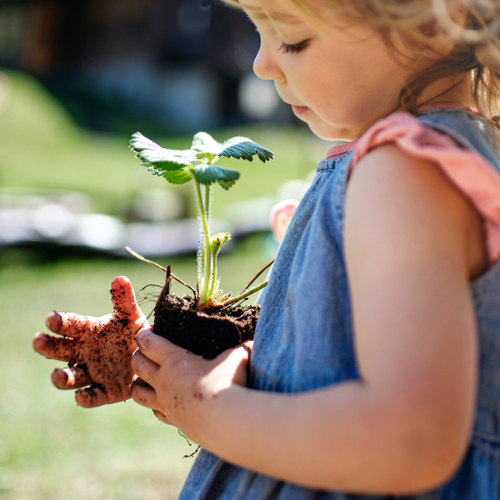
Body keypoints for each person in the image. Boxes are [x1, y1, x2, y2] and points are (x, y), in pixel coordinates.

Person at [33, 0, 500, 497]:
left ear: (430, 26)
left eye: (293, 38)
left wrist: (212, 411)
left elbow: (410, 440)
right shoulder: (420, 162)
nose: (261, 64)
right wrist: (172, 369)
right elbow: (327, 369)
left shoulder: (403, 175)